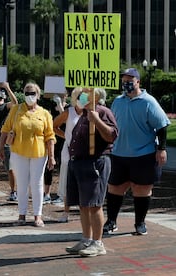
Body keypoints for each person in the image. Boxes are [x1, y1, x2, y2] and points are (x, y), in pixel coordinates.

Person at [103, 68, 171, 236]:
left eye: (130, 80)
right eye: (124, 80)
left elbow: (162, 126)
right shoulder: (118, 101)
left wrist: (161, 149)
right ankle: (111, 221)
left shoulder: (149, 102)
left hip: (144, 154)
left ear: (138, 82)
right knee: (114, 188)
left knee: (142, 189)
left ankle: (140, 223)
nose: (126, 83)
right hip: (119, 153)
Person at [64, 88, 118, 257]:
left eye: (86, 93)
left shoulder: (102, 112)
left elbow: (112, 135)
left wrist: (96, 120)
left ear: (95, 96)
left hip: (95, 162)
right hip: (80, 163)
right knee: (83, 204)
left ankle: (98, 242)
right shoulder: (84, 113)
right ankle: (86, 239)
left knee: (94, 204)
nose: (82, 97)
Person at [0, 82, 56, 227]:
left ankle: (38, 215)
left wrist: (52, 156)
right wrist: (0, 148)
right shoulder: (16, 110)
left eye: (32, 93)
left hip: (39, 152)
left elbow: (50, 136)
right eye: (27, 93)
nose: (30, 96)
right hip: (19, 151)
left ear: (38, 95)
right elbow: (5, 129)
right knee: (22, 183)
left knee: (36, 184)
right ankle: (22, 215)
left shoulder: (44, 113)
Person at [52, 88, 83, 222]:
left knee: (83, 181)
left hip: (85, 152)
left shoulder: (90, 112)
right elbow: (54, 126)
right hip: (69, 150)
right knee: (67, 180)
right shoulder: (68, 112)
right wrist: (66, 136)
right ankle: (66, 212)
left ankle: (84, 211)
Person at [43, 94, 67, 204]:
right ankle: (46, 193)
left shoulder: (69, 108)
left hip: (64, 139)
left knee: (63, 167)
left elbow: (66, 120)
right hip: (52, 139)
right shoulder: (51, 107)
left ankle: (61, 194)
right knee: (49, 166)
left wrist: (60, 106)